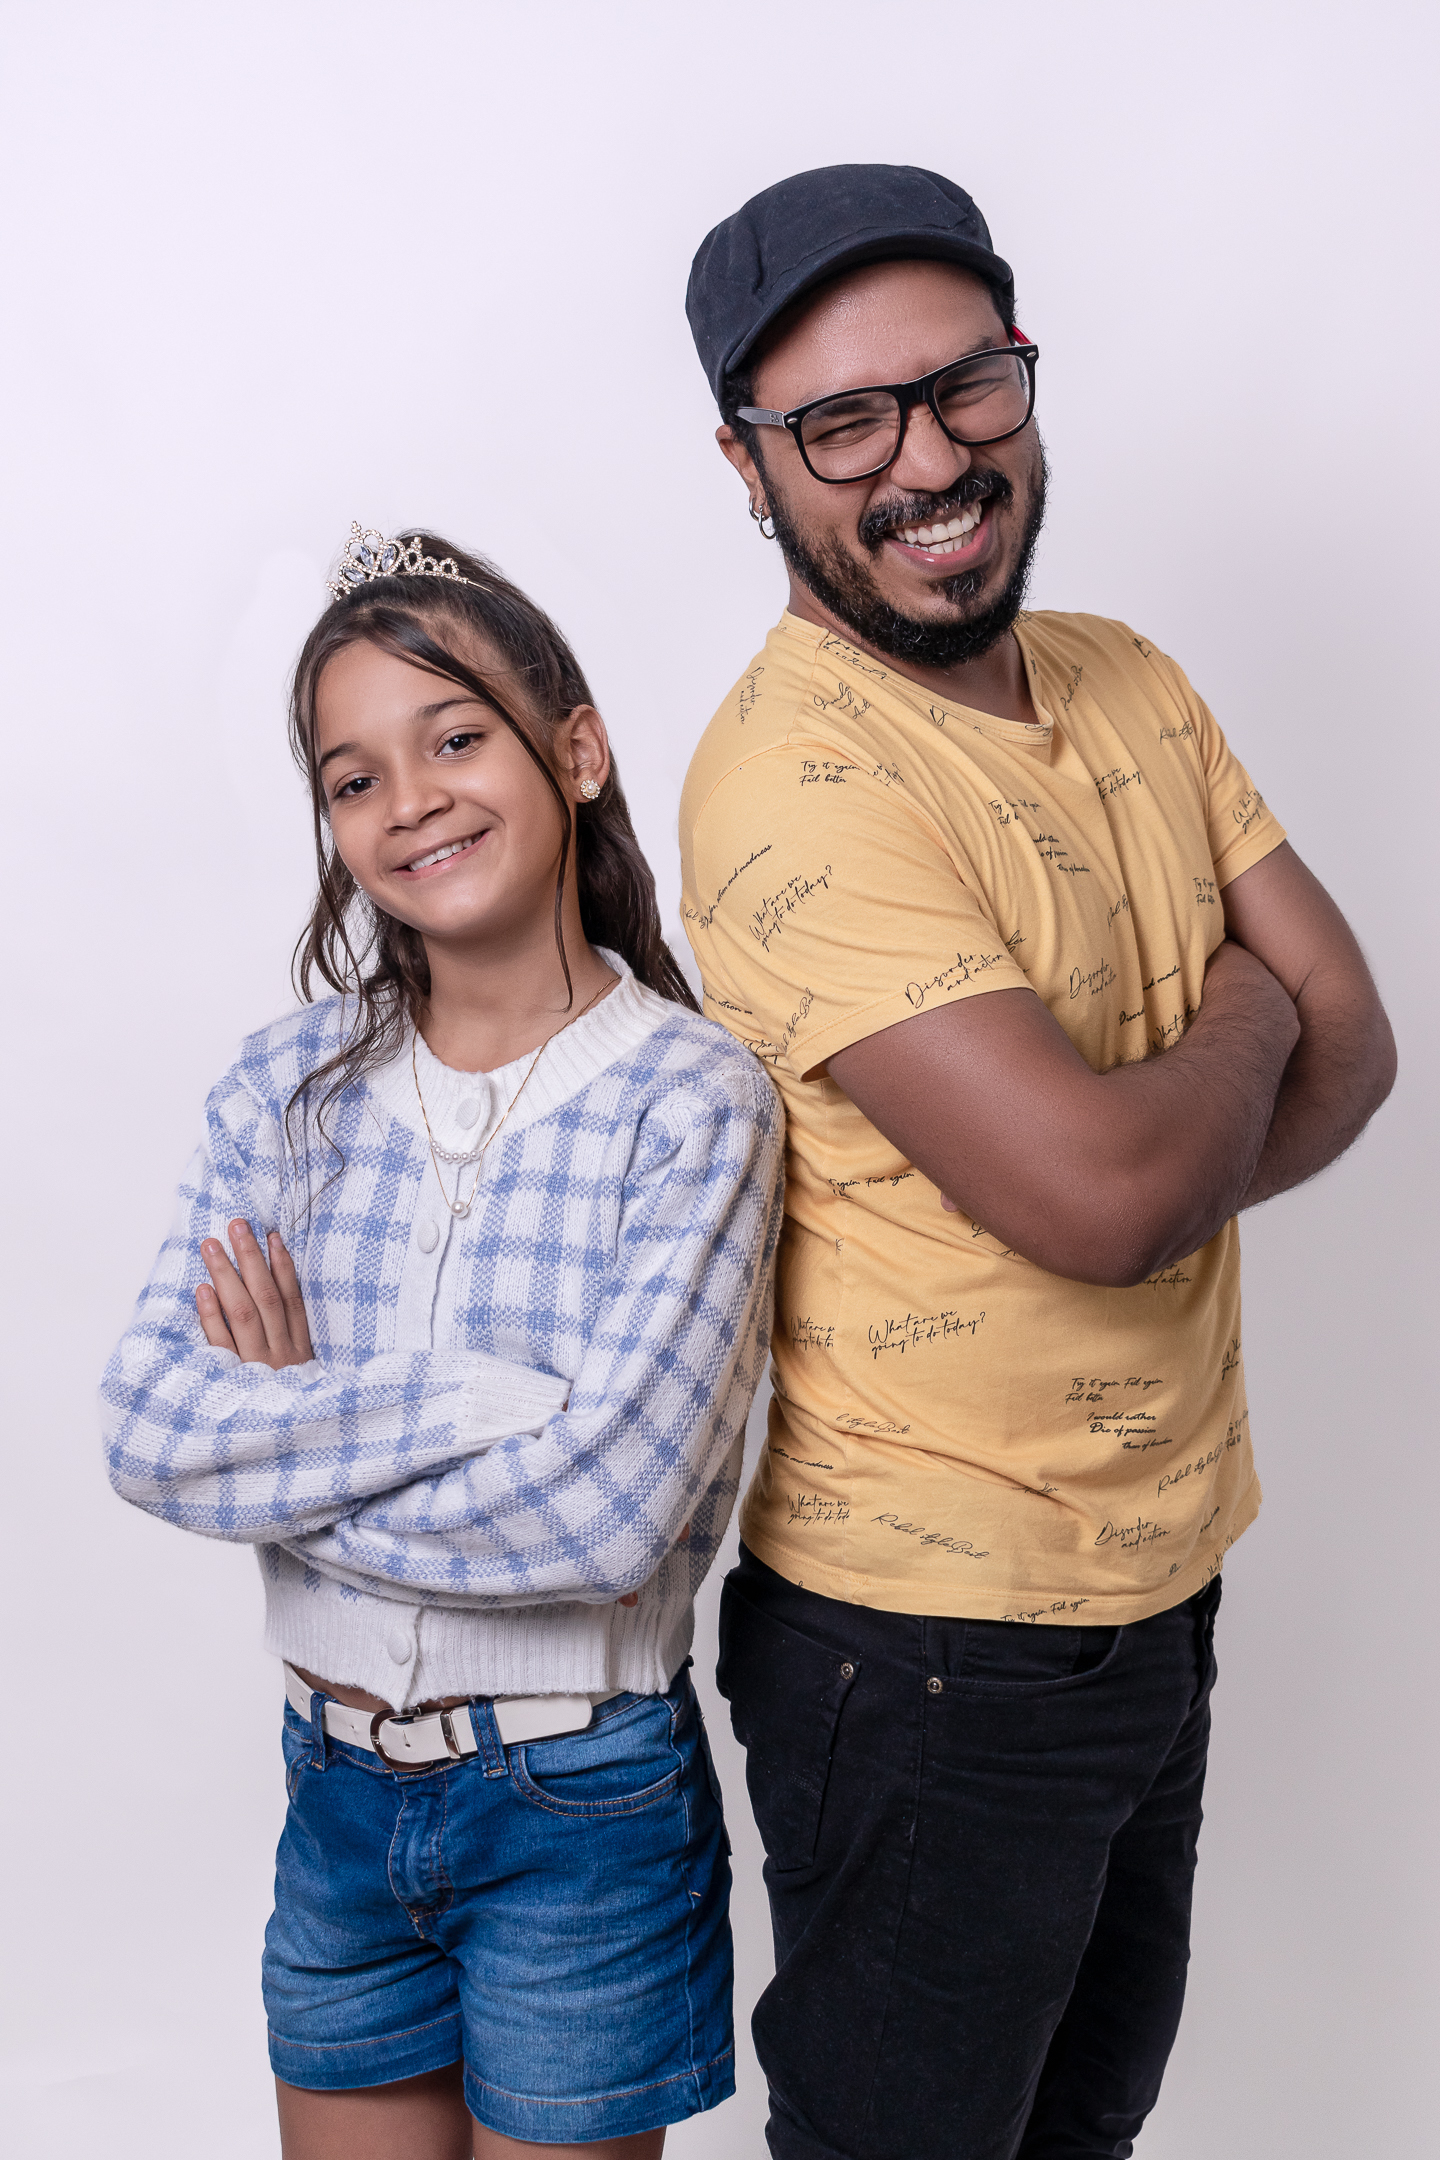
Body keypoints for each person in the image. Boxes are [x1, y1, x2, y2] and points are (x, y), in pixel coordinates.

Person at [679, 166, 1396, 2160]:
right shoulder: (794, 782)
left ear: (1021, 374)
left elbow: (1361, 1044)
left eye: (964, 385)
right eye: (844, 423)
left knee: (1081, 2132)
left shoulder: (1127, 678)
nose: (928, 461)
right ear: (750, 467)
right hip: (926, 1655)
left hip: (1161, 1588)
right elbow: (1115, 1190)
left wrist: (1149, 1151)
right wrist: (1233, 1023)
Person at [102, 527, 783, 2160]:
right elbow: (149, 1429)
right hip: (334, 1801)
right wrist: (471, 1406)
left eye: (456, 738)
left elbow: (605, 1519)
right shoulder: (286, 1088)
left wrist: (290, 1441)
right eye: (354, 779)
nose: (408, 801)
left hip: (581, 1811)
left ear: (577, 751)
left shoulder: (693, 1100)